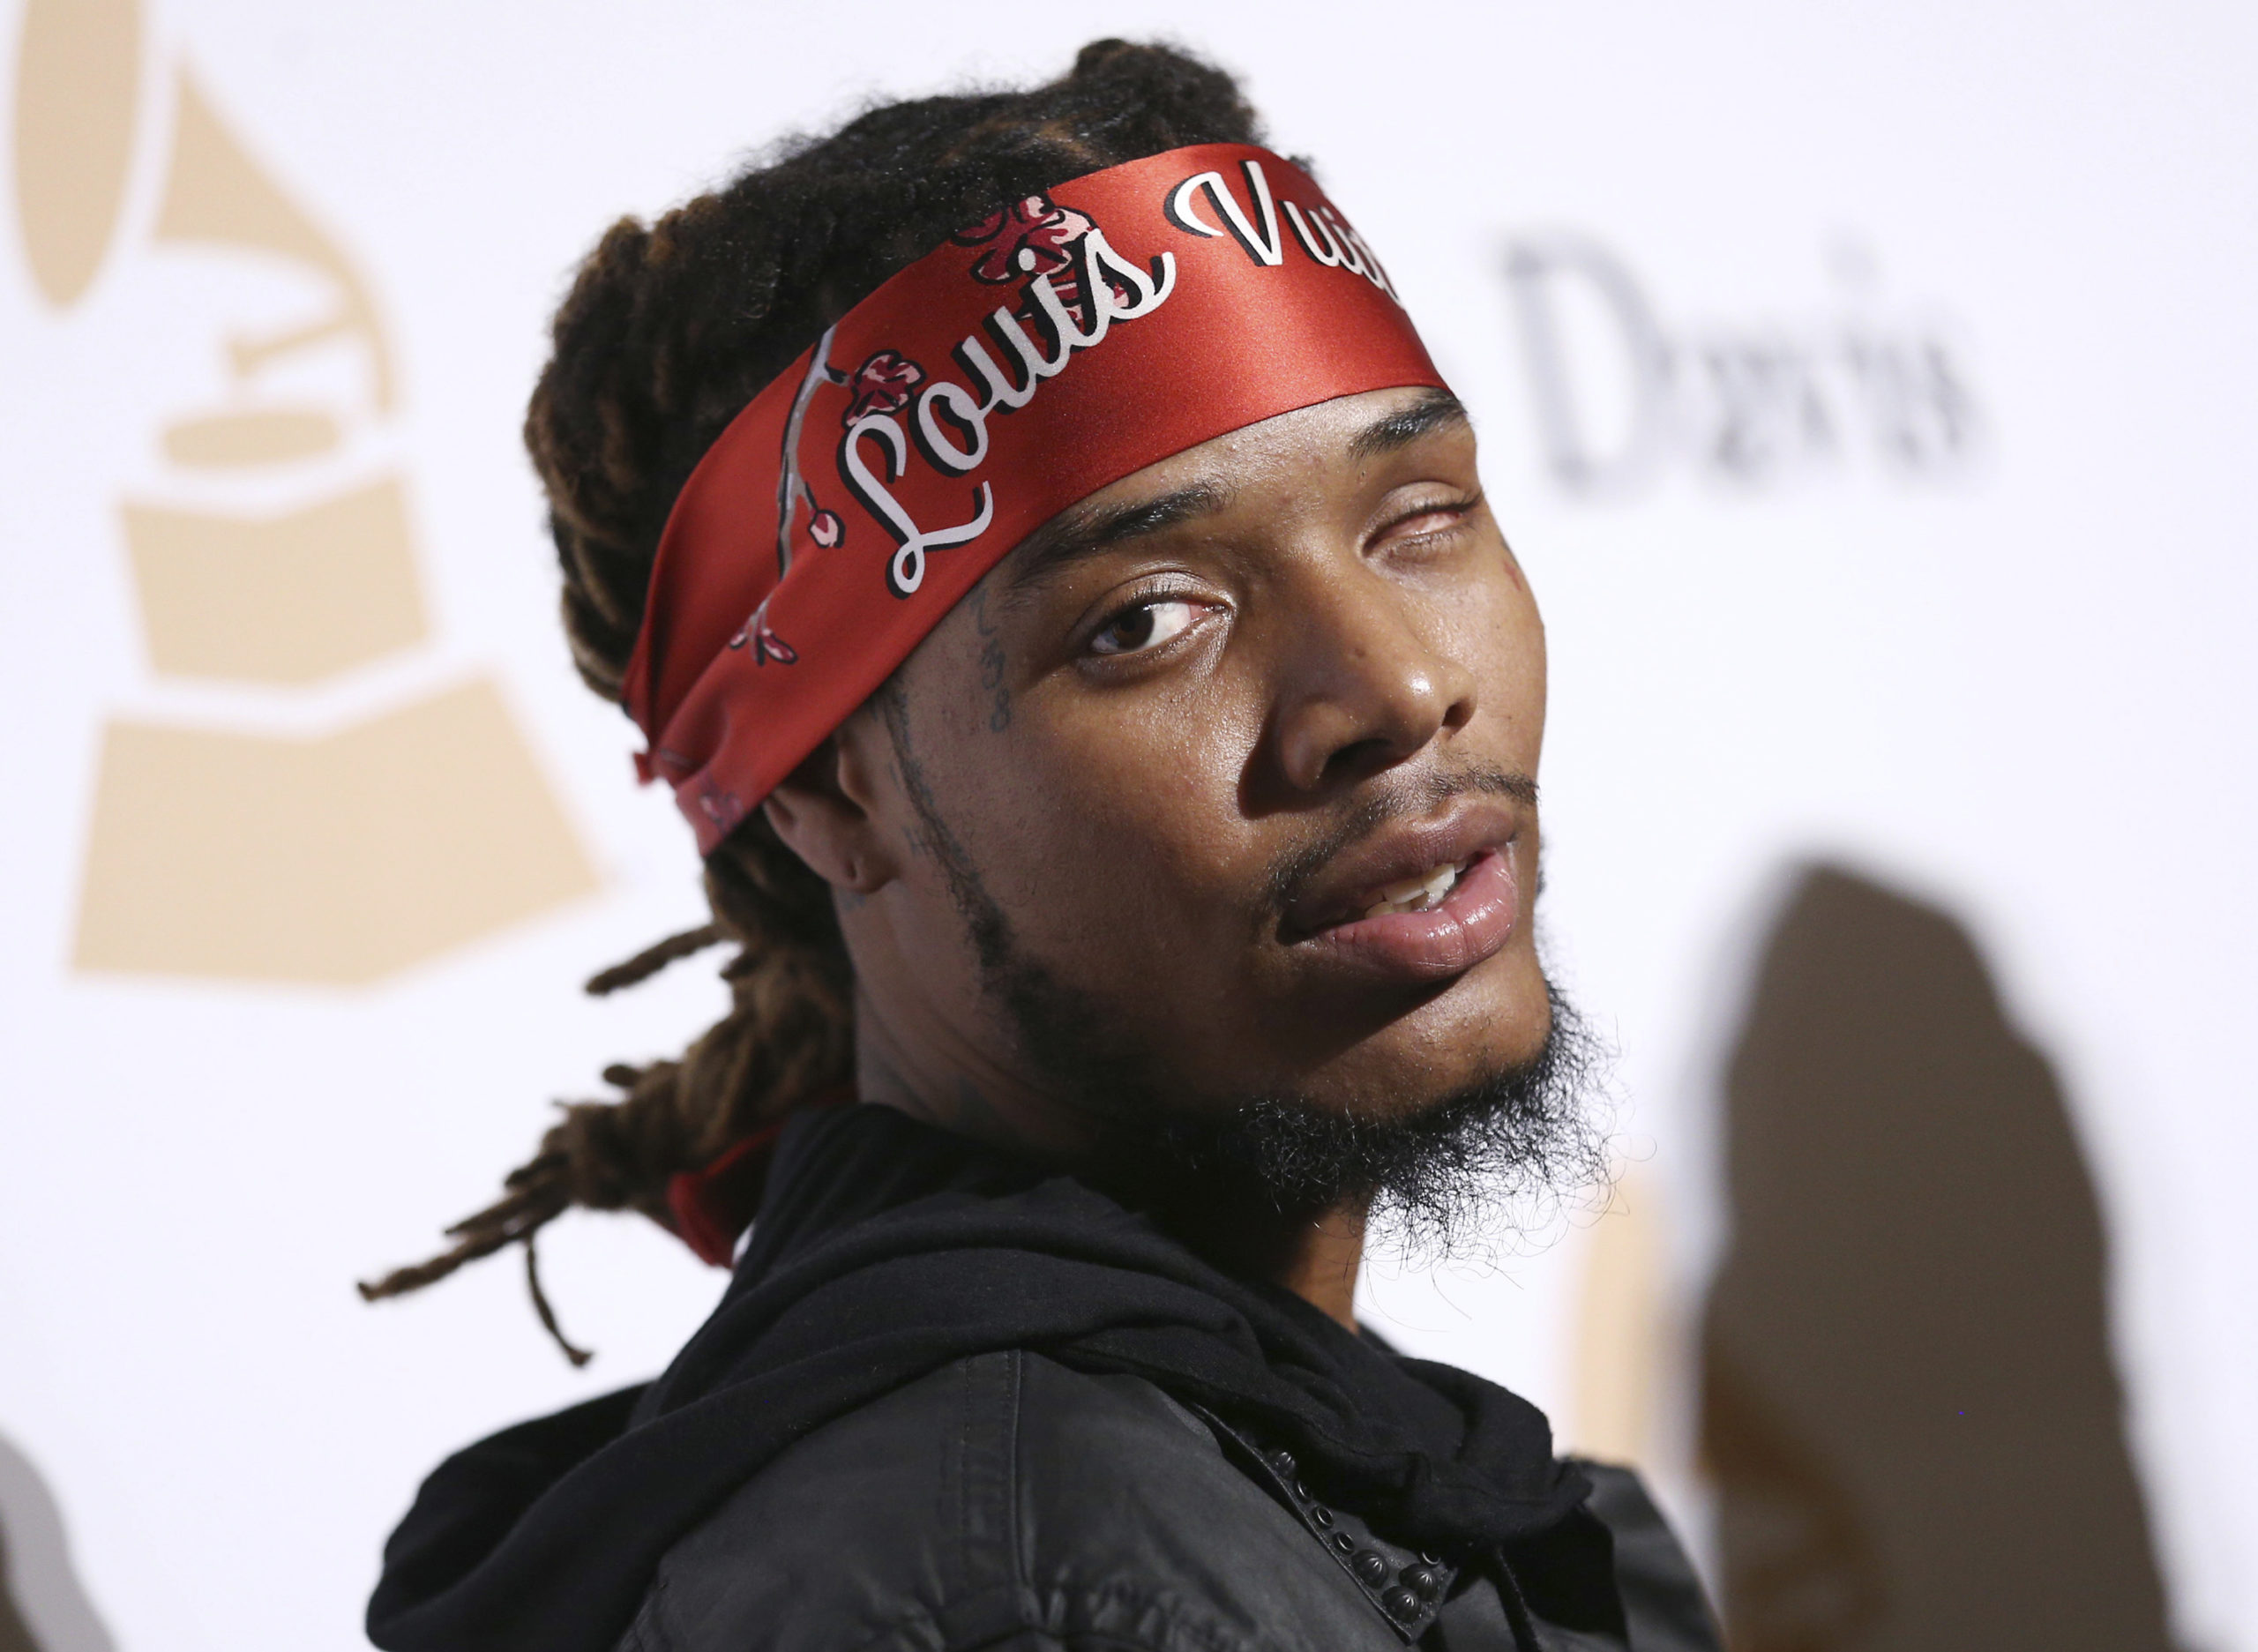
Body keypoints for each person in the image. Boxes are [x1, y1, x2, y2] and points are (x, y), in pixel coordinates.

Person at [359, 39, 1719, 1652]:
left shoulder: (1191, 1481)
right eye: (1146, 618)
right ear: (833, 798)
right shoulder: (1032, 1580)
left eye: (1418, 518)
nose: (1400, 685)